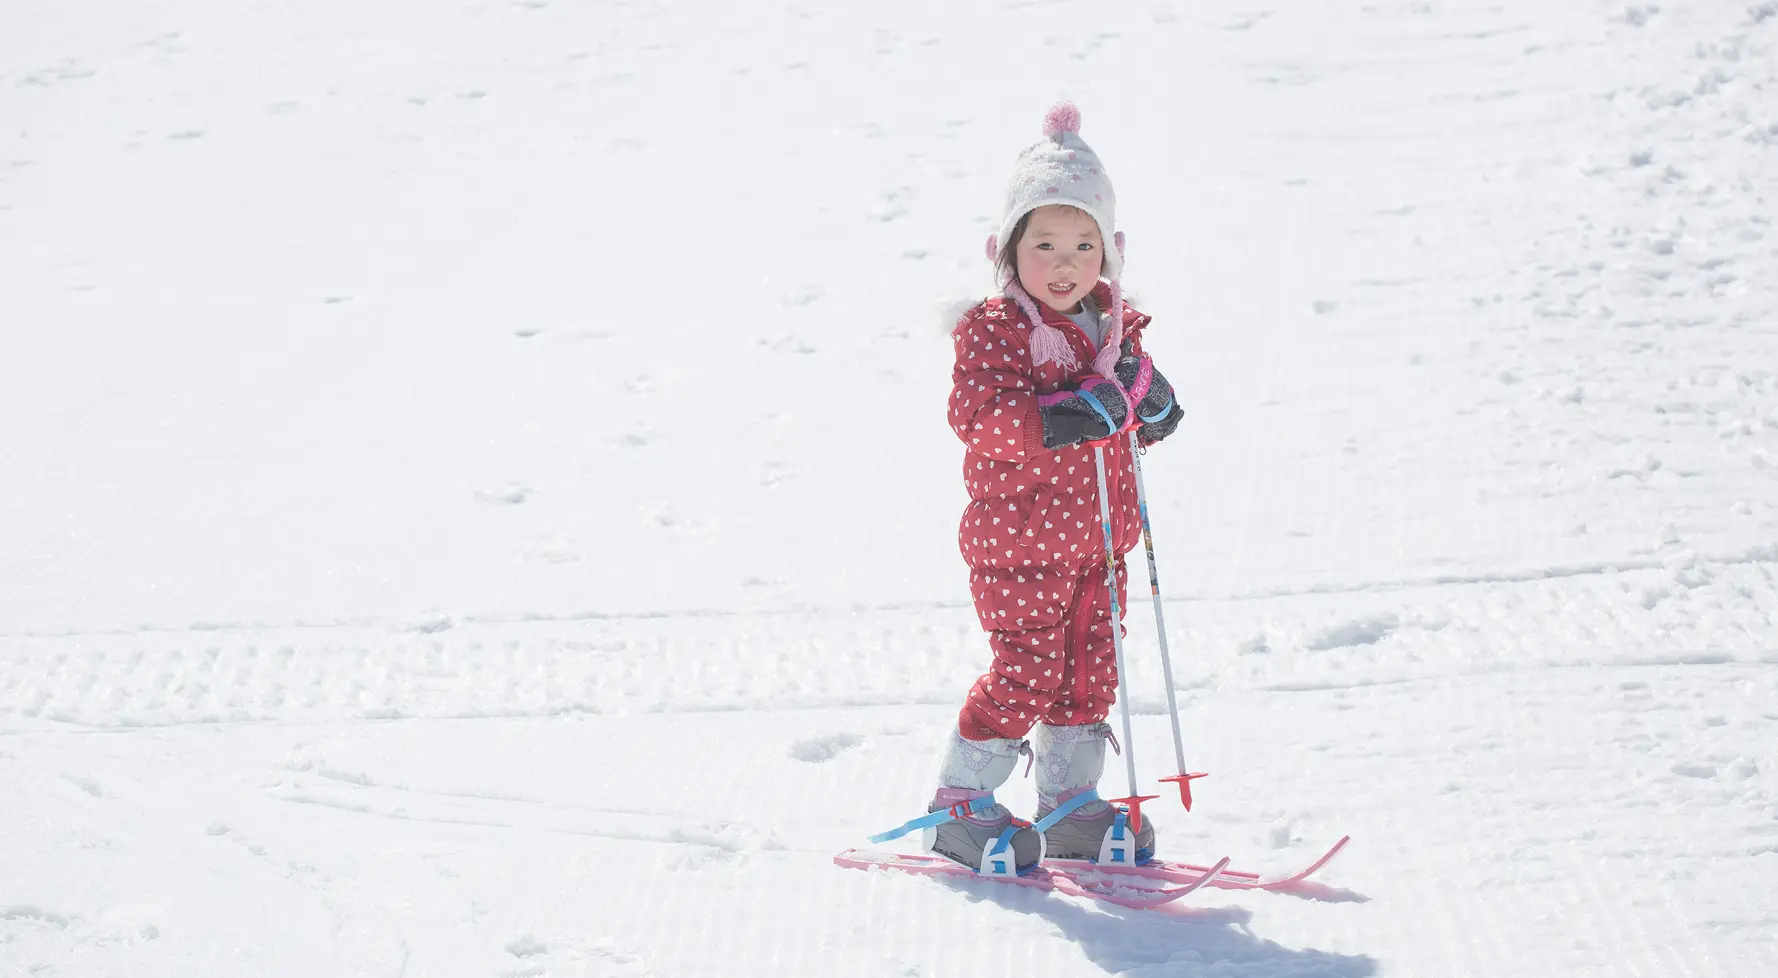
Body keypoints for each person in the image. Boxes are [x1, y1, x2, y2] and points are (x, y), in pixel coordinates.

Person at [924, 102, 1185, 874]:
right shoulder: (997, 330)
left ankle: (1068, 804)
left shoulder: (1113, 327)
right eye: (1044, 244)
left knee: (1088, 671)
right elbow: (982, 418)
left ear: (1108, 252)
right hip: (1021, 544)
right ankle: (959, 805)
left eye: (1083, 244)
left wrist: (1150, 406)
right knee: (1028, 671)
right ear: (1010, 249)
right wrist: (1066, 416)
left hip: (1100, 544)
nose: (1064, 263)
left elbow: (1126, 412)